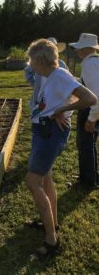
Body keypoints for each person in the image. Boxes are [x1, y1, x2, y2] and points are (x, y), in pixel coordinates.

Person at [25, 39, 97, 260]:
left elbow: (90, 98)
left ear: (40, 60)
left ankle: (51, 240)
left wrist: (63, 109)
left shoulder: (60, 75)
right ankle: (52, 223)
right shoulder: (49, 75)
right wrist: (60, 108)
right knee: (45, 178)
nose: (30, 65)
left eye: (31, 61)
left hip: (50, 134)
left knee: (32, 181)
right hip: (43, 131)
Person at [69, 33, 99, 188]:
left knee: (85, 144)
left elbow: (96, 93)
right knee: (90, 143)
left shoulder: (88, 64)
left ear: (86, 49)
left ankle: (87, 182)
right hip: (95, 109)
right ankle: (92, 176)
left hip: (91, 109)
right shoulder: (96, 61)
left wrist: (91, 118)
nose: (77, 51)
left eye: (79, 48)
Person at [24, 37, 68, 112]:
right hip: (39, 97)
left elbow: (66, 83)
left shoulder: (61, 64)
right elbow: (27, 71)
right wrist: (35, 83)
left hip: (54, 100)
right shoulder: (37, 62)